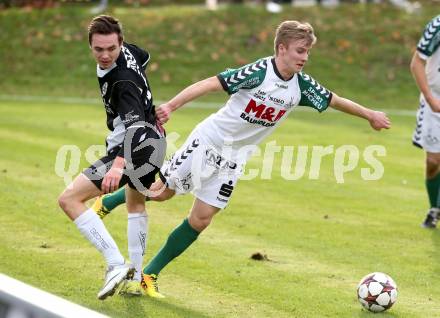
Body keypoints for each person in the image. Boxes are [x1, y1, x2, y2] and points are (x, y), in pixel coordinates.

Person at [93, 20, 390, 298]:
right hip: (208, 142)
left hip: (235, 159)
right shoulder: (259, 72)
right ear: (282, 48)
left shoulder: (302, 86)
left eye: (308, 52)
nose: (305, 58)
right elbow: (211, 83)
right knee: (160, 193)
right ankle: (106, 202)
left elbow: (335, 100)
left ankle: (149, 275)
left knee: (201, 219)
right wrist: (172, 105)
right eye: (300, 51)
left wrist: (370, 115)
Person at [58, 15, 165, 300]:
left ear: (119, 43)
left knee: (69, 199)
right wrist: (149, 105)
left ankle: (116, 264)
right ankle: (134, 279)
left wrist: (118, 166)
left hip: (135, 146)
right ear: (91, 45)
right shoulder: (128, 50)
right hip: (155, 142)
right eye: (99, 49)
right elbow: (144, 57)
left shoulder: (122, 82)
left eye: (111, 49)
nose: (105, 55)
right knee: (135, 206)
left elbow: (134, 127)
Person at [411, 15, 440, 228]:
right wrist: (431, 99)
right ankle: (434, 207)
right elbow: (416, 63)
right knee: (433, 162)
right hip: (435, 102)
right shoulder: (437, 26)